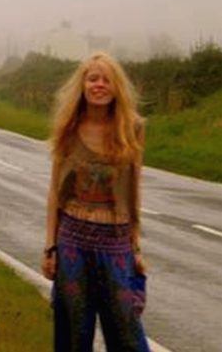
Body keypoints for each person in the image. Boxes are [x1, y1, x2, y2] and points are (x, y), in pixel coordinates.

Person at [41, 52, 151, 351]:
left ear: (117, 87)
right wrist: (50, 247)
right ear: (83, 85)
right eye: (92, 79)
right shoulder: (68, 127)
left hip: (115, 241)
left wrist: (135, 247)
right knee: (73, 333)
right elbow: (54, 193)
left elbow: (134, 191)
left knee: (127, 333)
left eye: (106, 80)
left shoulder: (133, 128)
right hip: (72, 242)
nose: (99, 85)